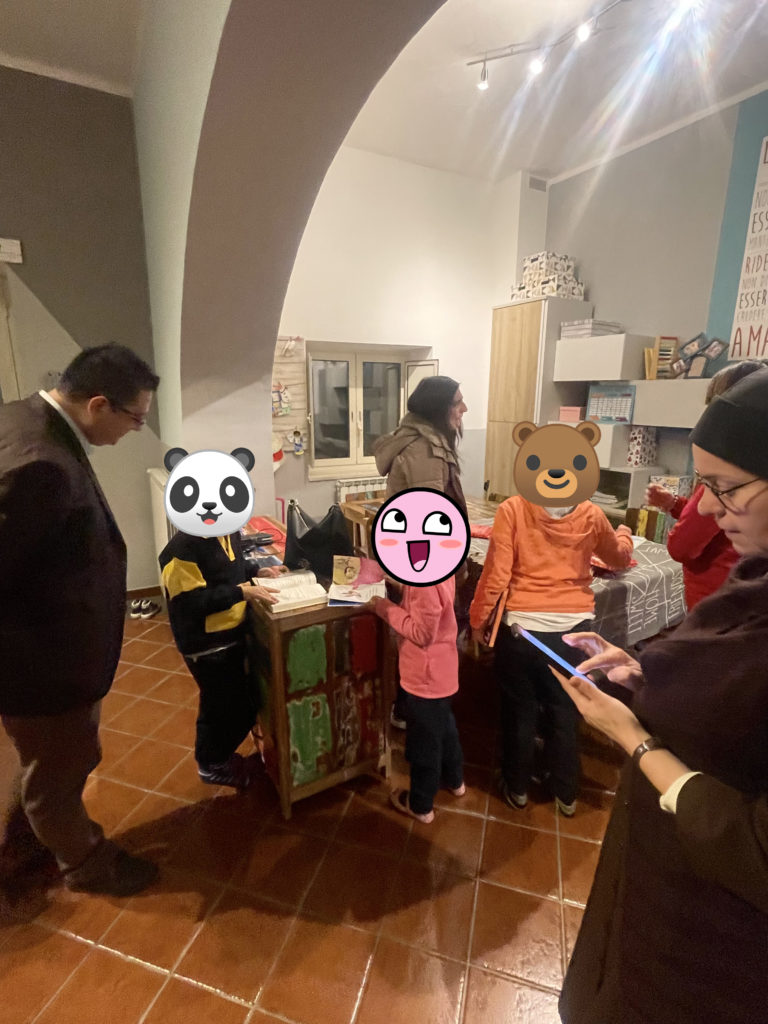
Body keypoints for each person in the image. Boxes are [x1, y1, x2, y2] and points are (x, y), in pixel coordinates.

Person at [554, 366, 768, 1024]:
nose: (707, 508)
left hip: (716, 948)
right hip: (664, 894)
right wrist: (645, 670)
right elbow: (727, 693)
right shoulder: (754, 580)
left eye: (725, 488)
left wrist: (635, 739)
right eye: (703, 486)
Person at [0, 344, 160, 903]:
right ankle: (86, 864)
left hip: (46, 651)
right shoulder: (39, 462)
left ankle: (27, 843)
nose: (135, 429)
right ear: (98, 404)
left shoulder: (24, 418)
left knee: (49, 763)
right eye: (135, 418)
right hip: (41, 663)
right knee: (59, 772)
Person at [470, 493, 633, 815]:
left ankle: (517, 787)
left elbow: (496, 575)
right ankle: (566, 794)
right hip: (572, 633)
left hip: (521, 630)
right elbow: (618, 558)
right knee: (564, 708)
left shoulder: (512, 509)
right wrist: (624, 534)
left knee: (520, 709)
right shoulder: (590, 513)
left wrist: (478, 621)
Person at [373, 375, 468, 727]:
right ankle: (417, 708)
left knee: (418, 628)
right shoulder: (425, 450)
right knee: (427, 633)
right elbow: (429, 516)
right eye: (457, 402)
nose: (464, 408)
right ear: (438, 408)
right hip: (423, 561)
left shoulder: (423, 441)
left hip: (414, 559)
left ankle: (413, 706)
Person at [159, 529, 279, 787]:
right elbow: (190, 604)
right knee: (224, 707)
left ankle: (217, 757)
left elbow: (231, 568)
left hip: (230, 634)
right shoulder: (181, 550)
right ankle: (211, 763)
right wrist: (241, 593)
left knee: (229, 704)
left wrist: (257, 572)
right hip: (206, 645)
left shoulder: (227, 532)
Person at [645, 359, 764, 609]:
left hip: (717, 600)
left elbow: (681, 547)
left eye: (723, 487)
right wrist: (675, 504)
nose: (705, 505)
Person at [370, 577, 465, 823]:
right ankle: (455, 780)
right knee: (445, 728)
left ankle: (421, 805)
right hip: (442, 670)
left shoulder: (425, 583)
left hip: (425, 677)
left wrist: (382, 606)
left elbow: (422, 633)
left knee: (424, 744)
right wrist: (399, 584)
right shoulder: (440, 569)